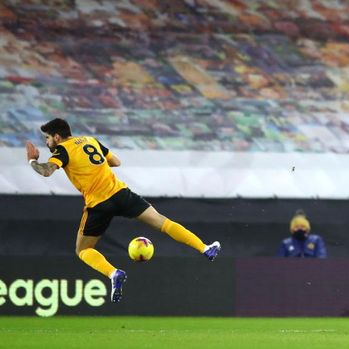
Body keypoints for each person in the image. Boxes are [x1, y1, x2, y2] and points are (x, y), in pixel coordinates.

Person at [26, 118, 221, 303]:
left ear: (57, 137)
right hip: (120, 194)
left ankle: (113, 273)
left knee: (83, 249)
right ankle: (204, 248)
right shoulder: (90, 140)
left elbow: (46, 171)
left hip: (98, 204)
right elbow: (116, 162)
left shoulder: (62, 150)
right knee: (162, 222)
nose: (46, 142)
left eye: (47, 137)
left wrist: (32, 161)